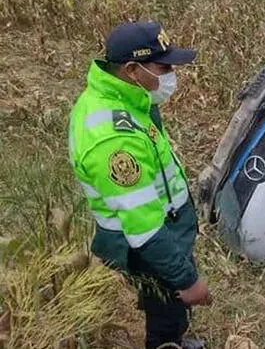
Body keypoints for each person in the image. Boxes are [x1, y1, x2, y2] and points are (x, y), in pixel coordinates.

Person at [67, 21, 209, 349]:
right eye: (164, 67)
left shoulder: (127, 97)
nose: (172, 74)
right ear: (132, 69)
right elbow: (143, 232)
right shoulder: (115, 142)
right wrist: (189, 281)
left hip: (164, 230)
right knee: (168, 310)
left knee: (167, 304)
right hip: (148, 246)